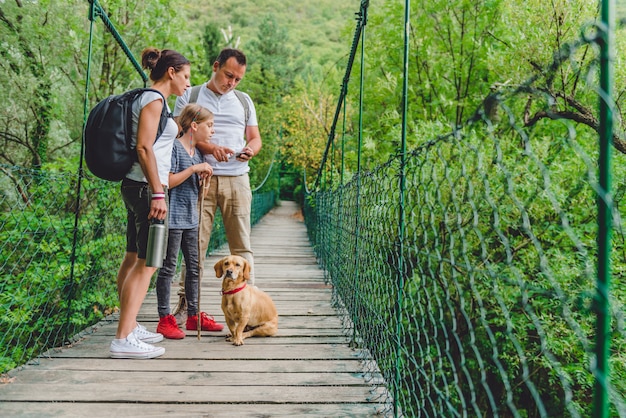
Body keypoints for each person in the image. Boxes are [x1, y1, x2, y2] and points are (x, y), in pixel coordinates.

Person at [110, 48, 191, 359]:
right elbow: (144, 149)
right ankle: (122, 338)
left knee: (133, 257)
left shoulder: (146, 97)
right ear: (171, 72)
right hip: (148, 189)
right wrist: (159, 192)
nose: (187, 83)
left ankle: (128, 326)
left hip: (137, 186)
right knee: (149, 262)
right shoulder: (154, 100)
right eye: (185, 76)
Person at [173, 48, 261, 301]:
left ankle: (248, 303)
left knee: (242, 245)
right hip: (200, 179)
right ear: (215, 66)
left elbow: (255, 138)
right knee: (195, 246)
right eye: (228, 75)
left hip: (237, 179)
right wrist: (211, 149)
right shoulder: (190, 94)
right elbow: (180, 135)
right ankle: (187, 305)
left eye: (237, 79)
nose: (231, 83)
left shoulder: (244, 101)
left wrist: (250, 151)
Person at [155, 104, 223, 339]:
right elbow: (169, 181)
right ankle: (164, 318)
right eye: (209, 126)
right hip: (173, 218)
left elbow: (199, 194)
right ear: (194, 126)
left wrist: (203, 180)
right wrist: (194, 169)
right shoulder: (174, 148)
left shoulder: (200, 153)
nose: (212, 131)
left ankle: (194, 315)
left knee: (194, 268)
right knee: (168, 268)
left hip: (191, 218)